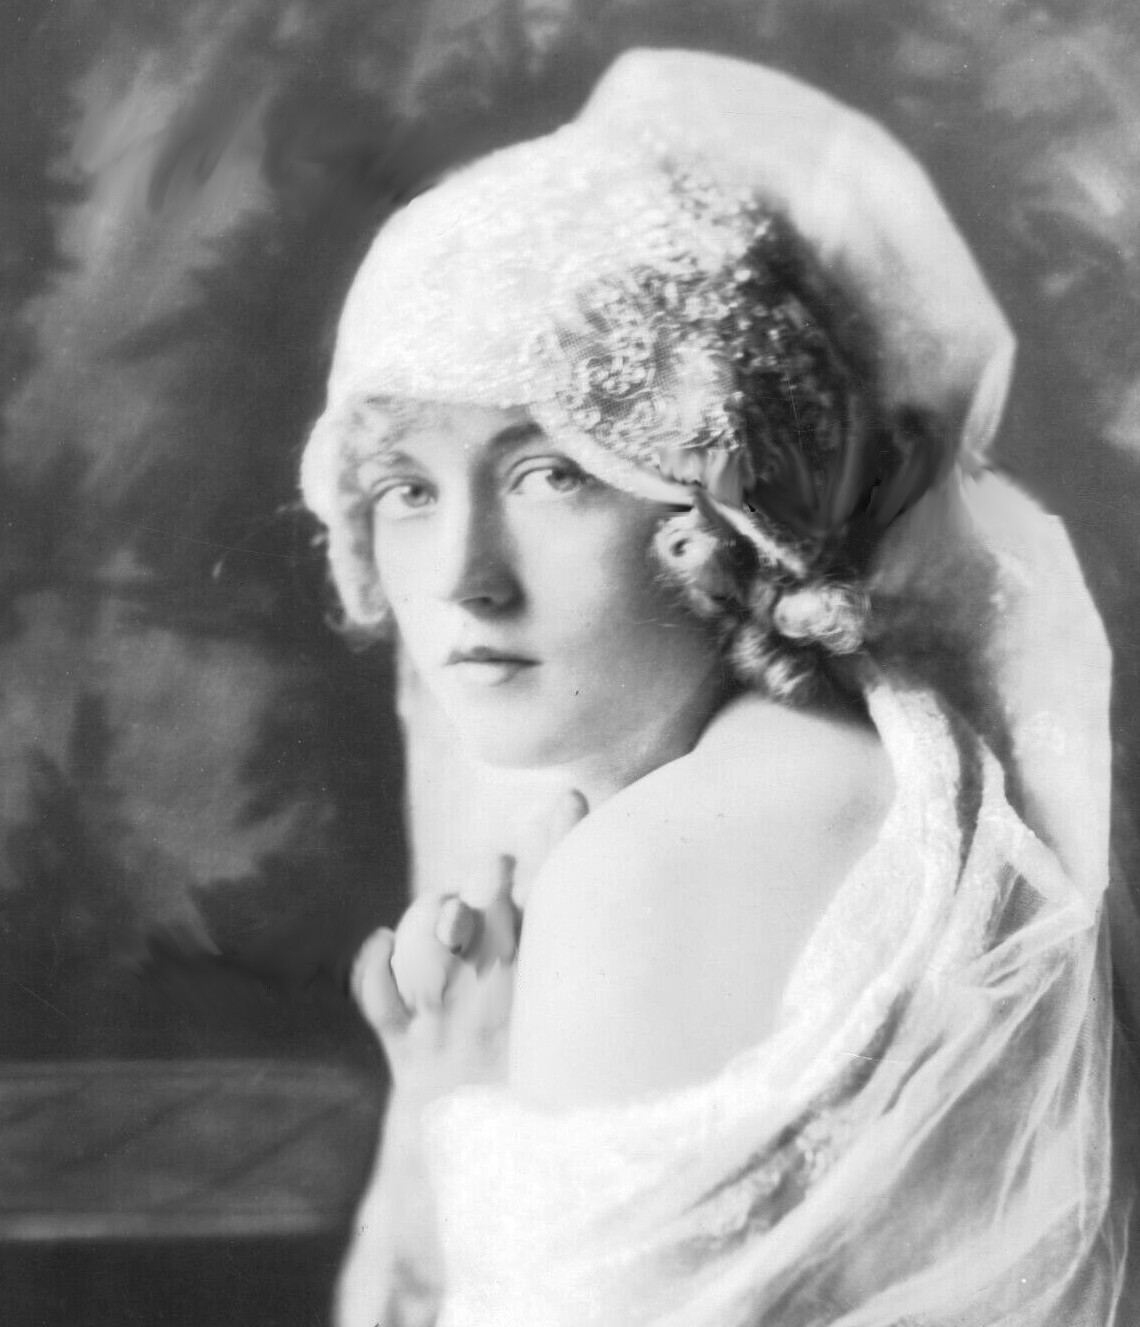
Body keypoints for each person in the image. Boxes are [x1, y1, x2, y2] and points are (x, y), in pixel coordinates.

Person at [300, 49, 1131, 1327]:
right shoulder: (877, 749)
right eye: (409, 489)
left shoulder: (650, 864)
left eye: (552, 473)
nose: (465, 578)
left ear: (715, 506)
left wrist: (456, 1113)